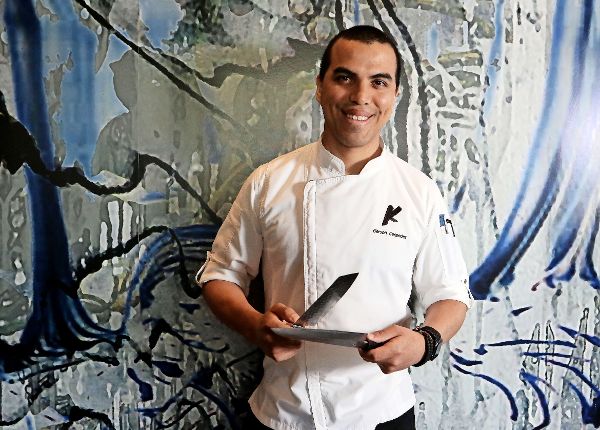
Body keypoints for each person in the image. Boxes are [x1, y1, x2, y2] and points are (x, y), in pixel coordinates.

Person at [197, 25, 472, 430]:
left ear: (395, 95)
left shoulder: (419, 192)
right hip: (283, 412)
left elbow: (451, 296)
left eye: (379, 82)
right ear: (320, 87)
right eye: (345, 77)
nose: (361, 96)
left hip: (382, 412)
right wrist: (255, 327)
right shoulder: (269, 182)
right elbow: (220, 276)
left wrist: (423, 342)